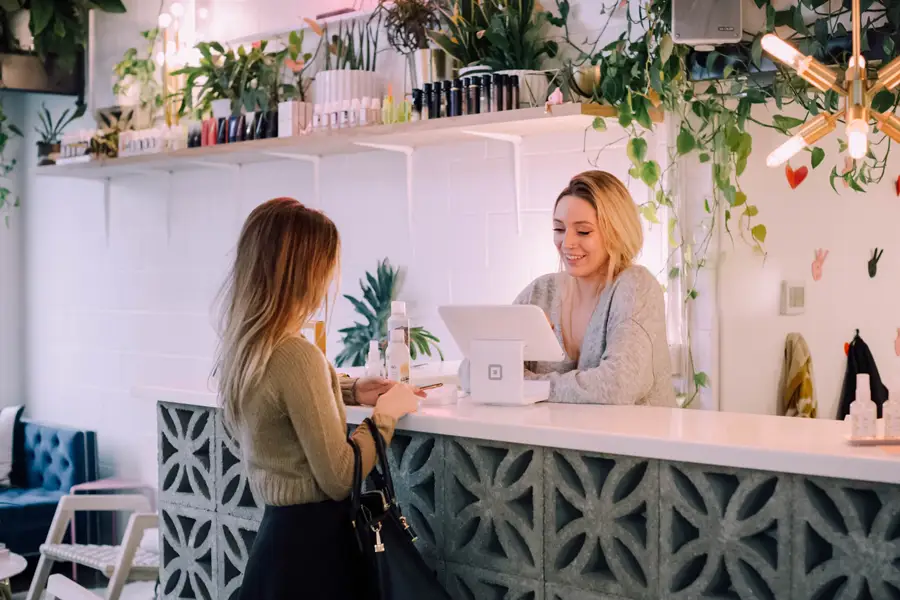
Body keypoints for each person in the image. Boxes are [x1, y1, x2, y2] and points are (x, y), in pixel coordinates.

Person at [213, 197, 423, 600]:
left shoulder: (249, 347)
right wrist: (386, 414)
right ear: (306, 273)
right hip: (313, 556)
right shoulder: (296, 355)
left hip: (276, 546)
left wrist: (347, 389)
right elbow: (340, 476)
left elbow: (283, 393)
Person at [466, 170, 675, 406]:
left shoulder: (636, 287)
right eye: (559, 229)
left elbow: (618, 385)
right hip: (556, 440)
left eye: (583, 231)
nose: (567, 243)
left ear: (617, 232)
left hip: (635, 440)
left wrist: (527, 386)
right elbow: (472, 373)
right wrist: (517, 345)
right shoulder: (541, 292)